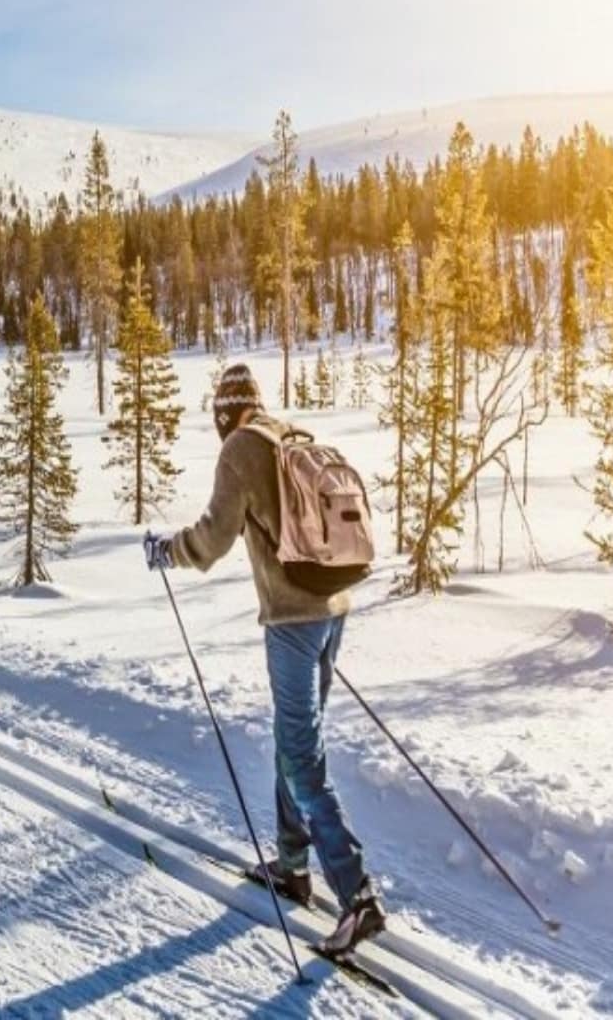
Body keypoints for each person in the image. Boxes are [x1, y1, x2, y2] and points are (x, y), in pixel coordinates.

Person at [143, 363, 385, 956]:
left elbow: (212, 538)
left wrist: (165, 552)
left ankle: (358, 898)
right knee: (295, 738)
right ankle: (294, 865)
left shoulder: (241, 450)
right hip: (332, 610)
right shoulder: (289, 434)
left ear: (226, 414)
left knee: (301, 756)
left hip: (294, 621)